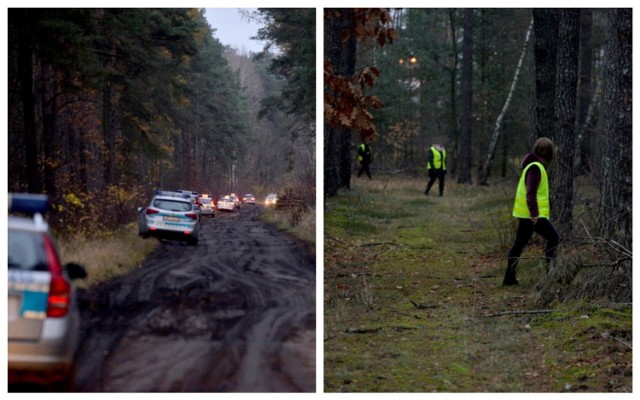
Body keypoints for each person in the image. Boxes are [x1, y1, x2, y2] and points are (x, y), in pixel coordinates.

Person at [503, 137, 559, 286]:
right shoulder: (535, 167)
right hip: (533, 214)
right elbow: (531, 193)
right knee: (554, 238)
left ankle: (509, 278)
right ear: (549, 153)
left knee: (519, 244)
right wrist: (534, 214)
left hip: (527, 214)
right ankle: (551, 274)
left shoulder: (533, 165)